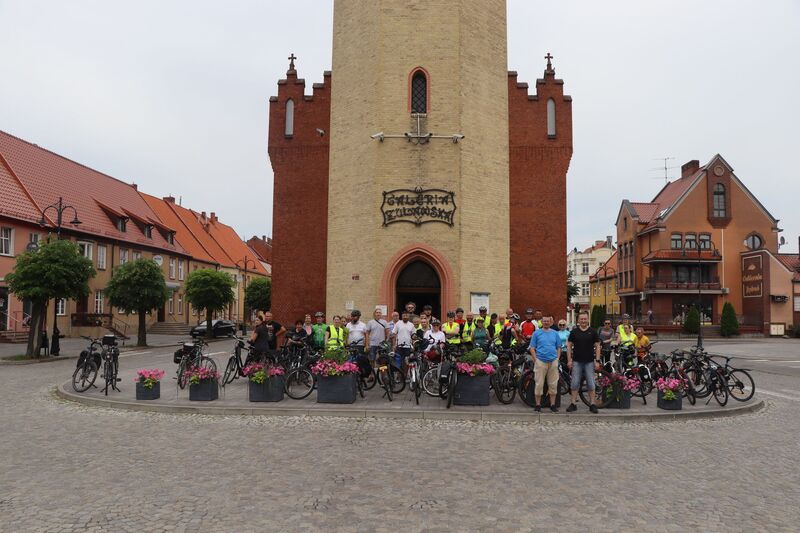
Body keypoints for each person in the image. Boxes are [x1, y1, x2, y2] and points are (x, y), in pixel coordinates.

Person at [566, 311, 601, 413]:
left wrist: (597, 360)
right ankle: (573, 403)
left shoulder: (593, 331)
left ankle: (592, 404)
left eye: (585, 319)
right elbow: (569, 346)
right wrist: (569, 360)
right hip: (577, 361)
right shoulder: (574, 332)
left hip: (589, 362)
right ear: (578, 321)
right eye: (581, 319)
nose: (583, 321)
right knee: (575, 383)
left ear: (588, 320)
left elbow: (598, 346)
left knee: (591, 383)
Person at [529, 316, 561, 412]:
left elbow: (558, 347)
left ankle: (553, 404)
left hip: (553, 361)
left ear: (550, 322)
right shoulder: (536, 333)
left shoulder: (555, 333)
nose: (546, 322)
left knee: (553, 384)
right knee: (539, 384)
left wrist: (557, 359)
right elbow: (532, 348)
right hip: (541, 361)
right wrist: (535, 360)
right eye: (544, 321)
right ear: (541, 322)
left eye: (548, 321)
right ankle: (538, 405)